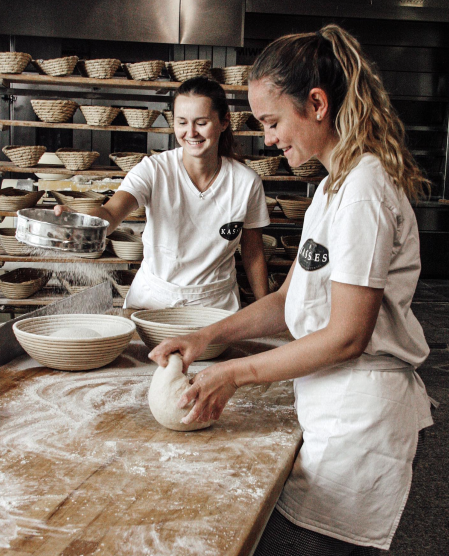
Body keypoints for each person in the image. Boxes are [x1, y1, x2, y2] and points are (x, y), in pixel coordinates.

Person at [149, 25, 435, 555]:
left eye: (273, 121)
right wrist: (203, 338)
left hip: (360, 421)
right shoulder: (332, 186)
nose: (270, 139)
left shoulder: (364, 192)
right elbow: (289, 300)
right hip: (330, 403)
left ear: (318, 104)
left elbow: (349, 335)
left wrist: (232, 373)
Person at [55, 76, 270, 311]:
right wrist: (82, 224)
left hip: (214, 305)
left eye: (201, 122)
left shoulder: (246, 182)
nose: (191, 132)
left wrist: (265, 308)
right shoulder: (154, 169)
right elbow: (112, 211)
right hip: (152, 301)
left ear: (224, 121)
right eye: (182, 122)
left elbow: (253, 252)